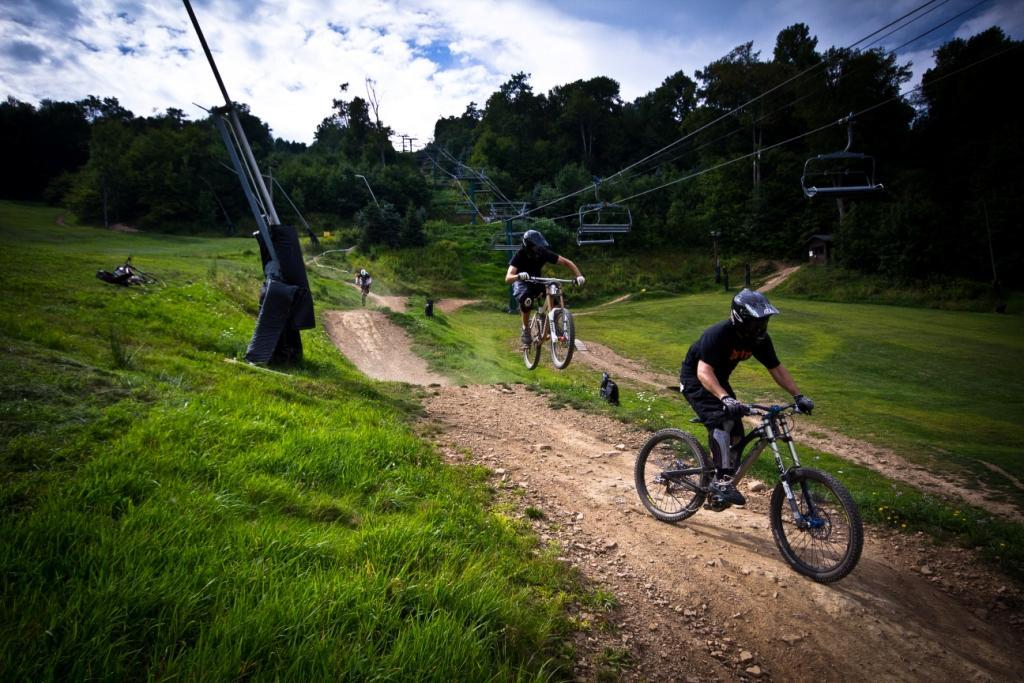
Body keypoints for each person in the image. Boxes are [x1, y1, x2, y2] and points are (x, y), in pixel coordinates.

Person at [679, 288, 814, 507]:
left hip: (719, 380)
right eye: (754, 323)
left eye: (763, 322)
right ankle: (722, 483)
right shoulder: (719, 334)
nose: (759, 327)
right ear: (740, 319)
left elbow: (776, 368)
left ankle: (719, 478)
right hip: (696, 379)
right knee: (721, 420)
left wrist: (798, 396)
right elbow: (703, 371)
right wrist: (725, 398)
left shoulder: (759, 340)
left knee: (737, 434)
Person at [504, 229, 585, 346]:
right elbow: (508, 277)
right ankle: (525, 329)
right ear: (529, 246)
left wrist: (579, 276)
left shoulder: (542, 253)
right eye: (536, 246)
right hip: (521, 283)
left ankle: (551, 322)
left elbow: (566, 262)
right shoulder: (520, 255)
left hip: (537, 281)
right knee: (527, 300)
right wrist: (518, 276)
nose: (538, 249)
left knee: (555, 293)